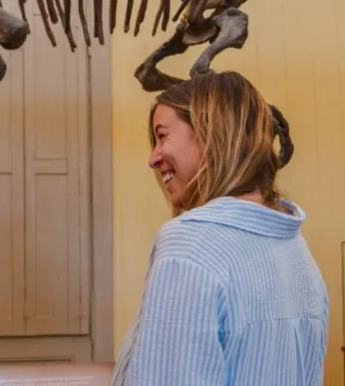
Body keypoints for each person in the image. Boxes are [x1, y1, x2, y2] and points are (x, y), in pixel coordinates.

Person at [112, 70, 329, 386]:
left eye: (162, 136)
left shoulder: (189, 246)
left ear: (210, 133)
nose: (153, 158)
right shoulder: (300, 257)